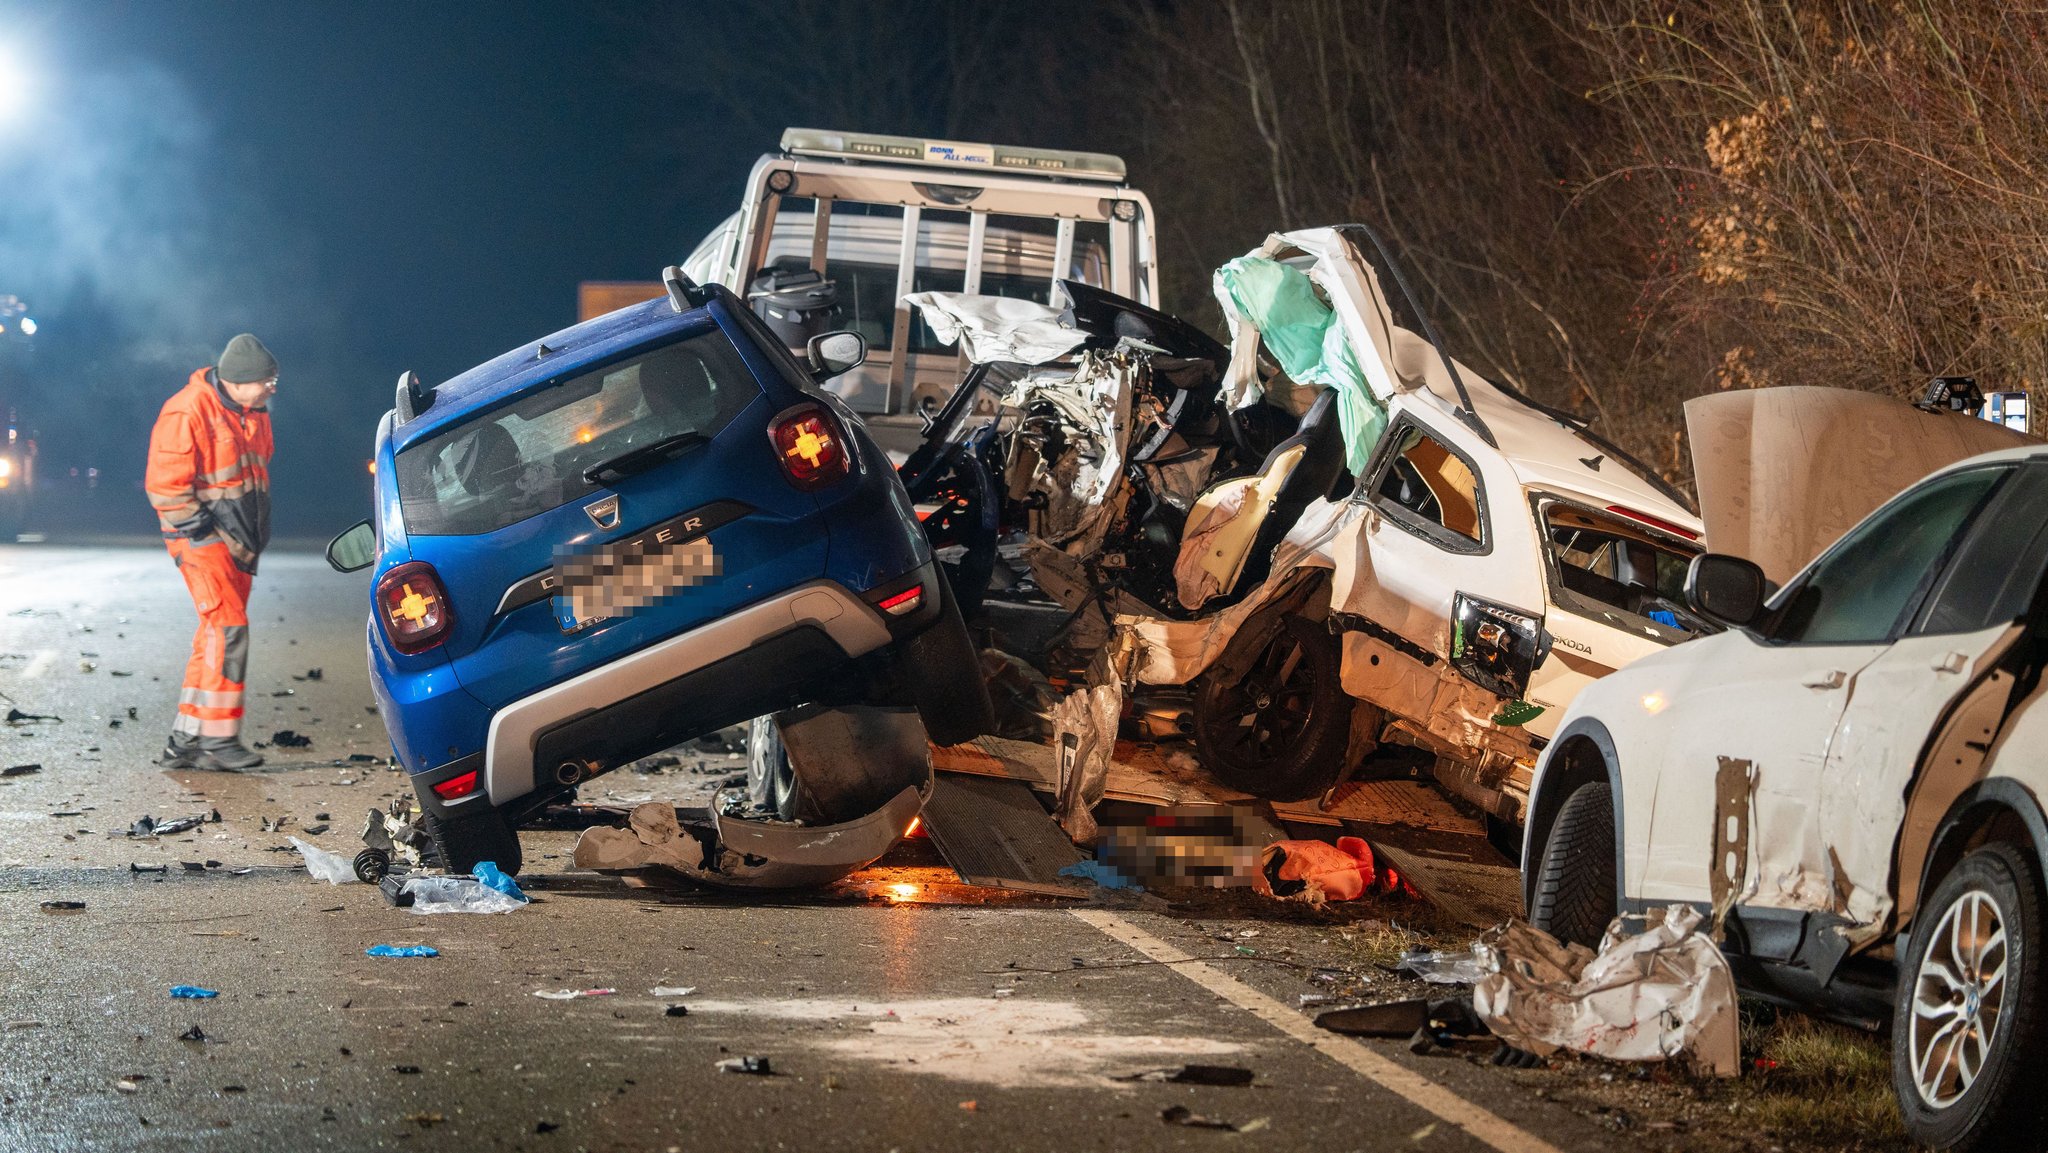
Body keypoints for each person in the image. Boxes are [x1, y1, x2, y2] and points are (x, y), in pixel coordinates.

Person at [145, 334, 277, 770]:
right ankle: (219, 741)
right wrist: (203, 535)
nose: (272, 387)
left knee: (213, 636)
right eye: (266, 380)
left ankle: (184, 740)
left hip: (238, 542)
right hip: (203, 540)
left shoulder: (252, 411)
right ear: (239, 381)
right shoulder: (187, 410)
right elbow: (165, 486)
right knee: (229, 629)